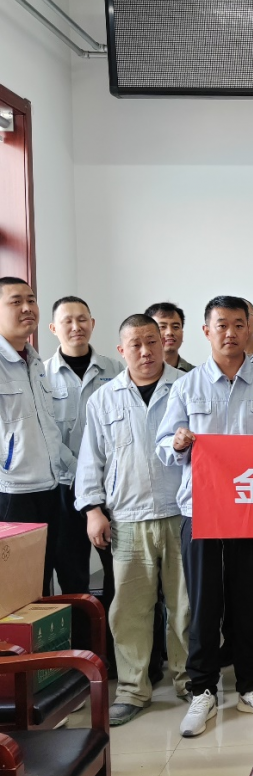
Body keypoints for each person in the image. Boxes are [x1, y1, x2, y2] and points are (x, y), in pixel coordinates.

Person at [156, 296, 253, 737]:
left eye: (238, 324)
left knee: (250, 599)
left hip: (251, 512)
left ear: (251, 328)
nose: (230, 333)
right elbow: (163, 446)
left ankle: (251, 685)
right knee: (204, 604)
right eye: (221, 325)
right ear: (206, 331)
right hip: (201, 510)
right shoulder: (186, 387)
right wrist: (177, 443)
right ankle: (203, 690)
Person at [75, 314, 190, 726]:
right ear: (122, 351)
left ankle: (190, 681)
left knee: (186, 607)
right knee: (129, 610)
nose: (145, 351)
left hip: (181, 513)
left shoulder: (186, 387)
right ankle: (132, 689)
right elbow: (91, 459)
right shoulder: (103, 399)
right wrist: (93, 510)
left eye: (151, 341)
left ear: (164, 343)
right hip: (127, 517)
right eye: (135, 344)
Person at [44, 296, 123, 595]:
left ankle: (114, 626)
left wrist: (95, 473)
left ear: (92, 323)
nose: (76, 326)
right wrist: (81, 471)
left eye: (82, 319)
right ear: (54, 328)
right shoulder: (43, 375)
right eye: (67, 321)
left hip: (110, 486)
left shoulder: (116, 369)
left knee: (118, 569)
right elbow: (47, 434)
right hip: (64, 487)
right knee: (71, 571)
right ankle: (77, 626)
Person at [0, 277, 73, 595]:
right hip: (11, 493)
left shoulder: (35, 362)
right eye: (16, 301)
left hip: (48, 488)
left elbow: (48, 428)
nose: (27, 307)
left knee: (40, 583)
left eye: (31, 300)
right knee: (13, 589)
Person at [146, 303, 195, 372]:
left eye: (175, 327)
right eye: (162, 327)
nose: (170, 332)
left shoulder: (195, 374)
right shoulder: (136, 374)